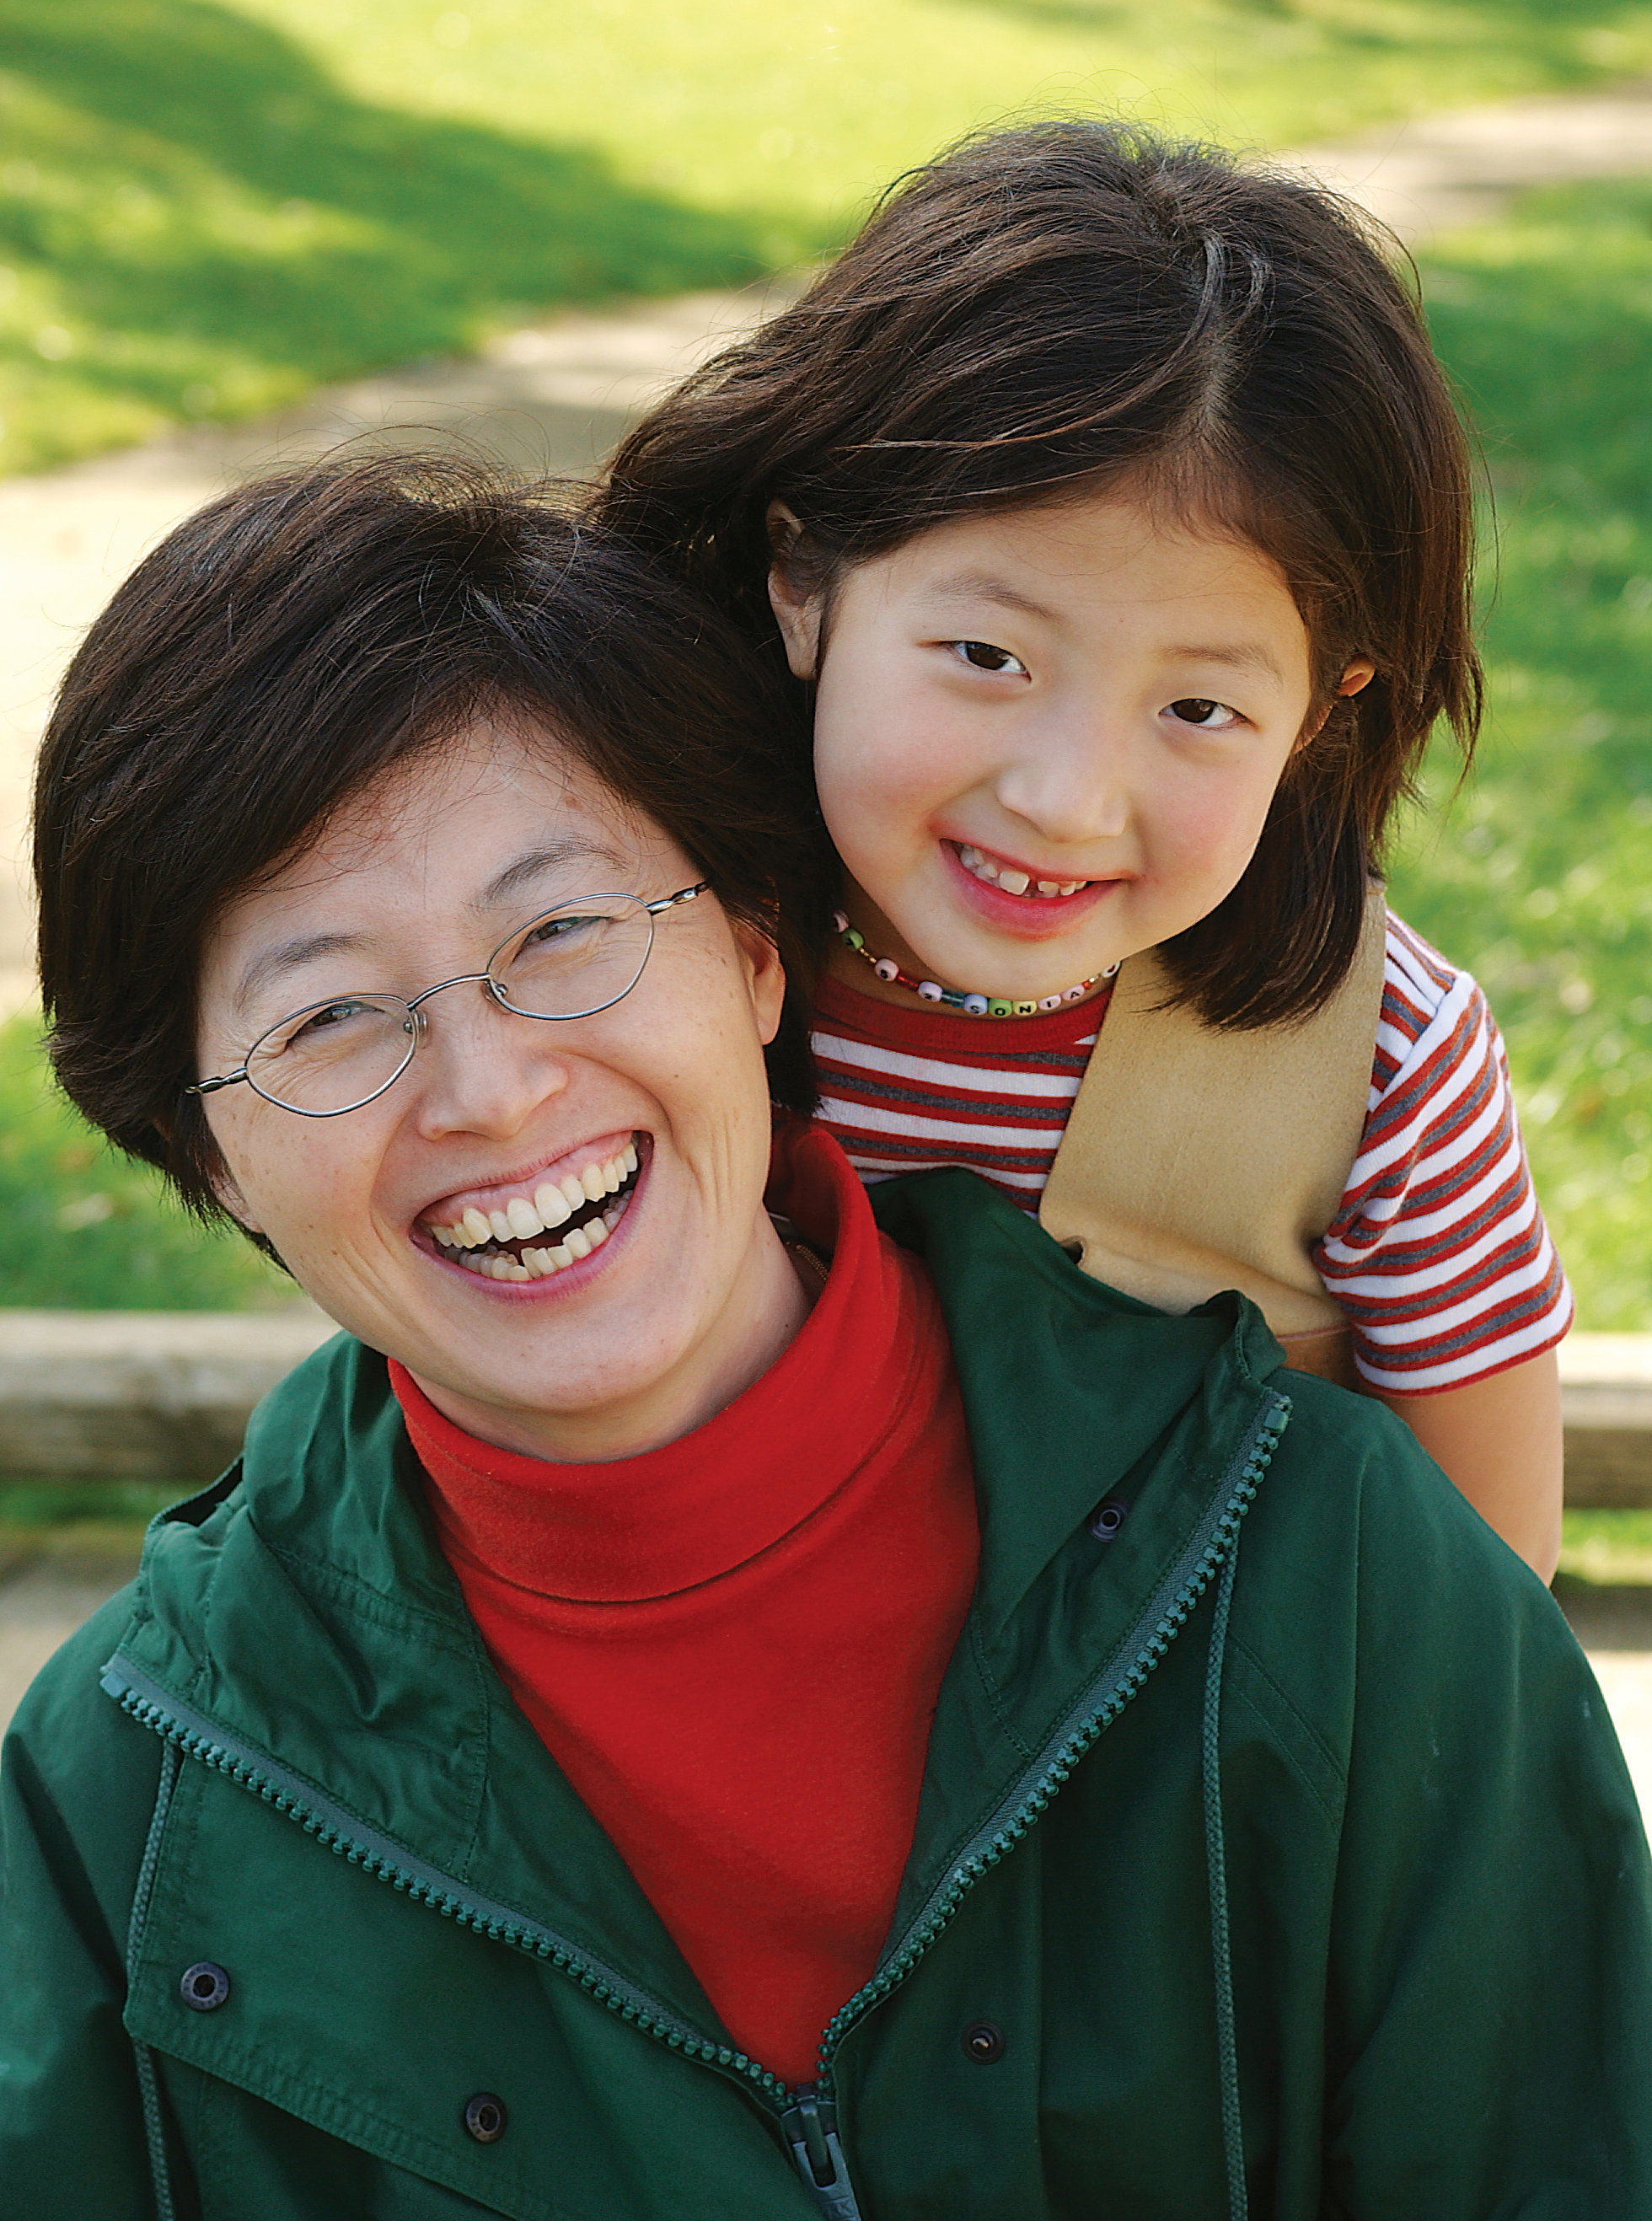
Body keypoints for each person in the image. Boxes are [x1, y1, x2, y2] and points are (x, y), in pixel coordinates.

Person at [3, 456, 1649, 2220]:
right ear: (209, 1155)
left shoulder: (1334, 1587)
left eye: (560, 930)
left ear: (759, 955)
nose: (490, 1093)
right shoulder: (122, 1822)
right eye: (329, 1018)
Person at [598, 120, 1569, 1576]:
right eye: (987, 654)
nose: (1066, 798)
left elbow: (1492, 1621)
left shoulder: (1383, 1070)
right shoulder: (616, 960)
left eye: (1198, 705)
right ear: (805, 581)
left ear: (1322, 708)